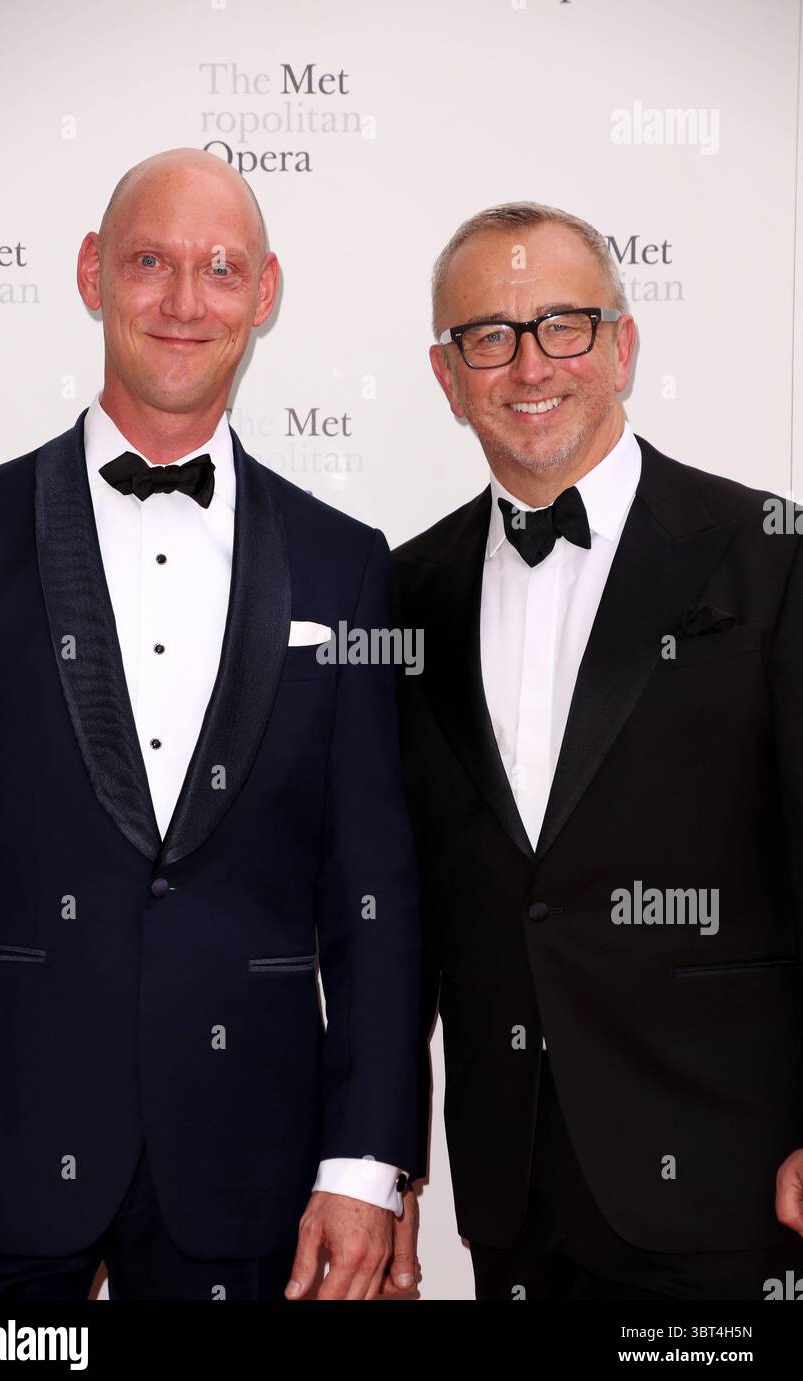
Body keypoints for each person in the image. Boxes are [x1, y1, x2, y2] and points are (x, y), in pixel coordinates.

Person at [0, 149, 421, 1302]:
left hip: (250, 1166)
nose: (184, 301)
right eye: (151, 261)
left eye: (221, 269)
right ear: (93, 273)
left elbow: (376, 892)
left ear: (264, 294)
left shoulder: (345, 566)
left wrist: (364, 1165)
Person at [393, 201, 803, 1299]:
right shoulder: (404, 591)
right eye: (487, 334)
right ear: (447, 377)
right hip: (511, 1191)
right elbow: (403, 911)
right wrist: (383, 1161)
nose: (528, 364)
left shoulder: (766, 557)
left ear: (621, 345)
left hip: (733, 1181)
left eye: (562, 325)